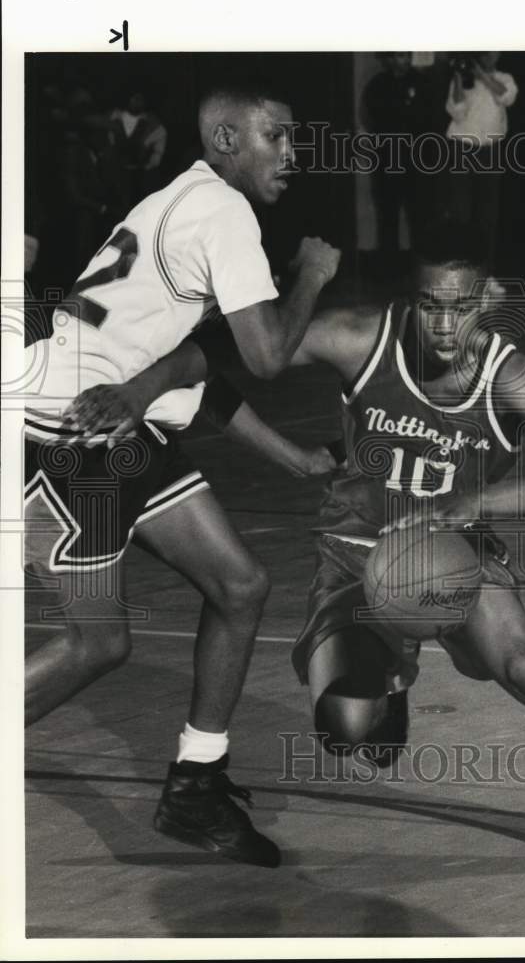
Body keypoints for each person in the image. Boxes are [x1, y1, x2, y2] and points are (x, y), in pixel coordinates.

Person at [80, 221, 525, 892]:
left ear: (487, 299)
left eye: (460, 306)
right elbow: (207, 355)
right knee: (349, 733)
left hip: (451, 553)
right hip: (354, 556)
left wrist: (480, 503)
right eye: (430, 304)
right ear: (411, 299)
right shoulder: (356, 337)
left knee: (524, 668)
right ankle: (383, 679)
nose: (443, 323)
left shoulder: (509, 374)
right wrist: (138, 393)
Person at [24, 78, 341, 867]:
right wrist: (310, 277)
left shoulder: (181, 204)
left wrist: (293, 458)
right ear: (227, 139)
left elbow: (187, 372)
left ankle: (195, 785)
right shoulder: (224, 214)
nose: (293, 154)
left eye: (296, 138)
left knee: (239, 586)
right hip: (70, 431)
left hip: (114, 420)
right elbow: (265, 357)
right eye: (277, 136)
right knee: (98, 645)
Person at [445, 52, 517, 266]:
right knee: (461, 213)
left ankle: (484, 274)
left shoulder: (505, 78)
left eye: (493, 52)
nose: (489, 56)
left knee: (487, 215)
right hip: (463, 148)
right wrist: (460, 76)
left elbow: (507, 96)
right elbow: (456, 111)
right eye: (484, 52)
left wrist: (482, 76)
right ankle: (461, 273)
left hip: (490, 149)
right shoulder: (463, 79)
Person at [361, 53, 426, 267]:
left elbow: (432, 117)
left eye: (407, 56)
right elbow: (369, 117)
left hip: (417, 160)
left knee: (419, 215)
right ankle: (389, 266)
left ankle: (421, 266)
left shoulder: (422, 82)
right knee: (387, 214)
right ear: (389, 59)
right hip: (387, 159)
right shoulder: (378, 85)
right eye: (399, 56)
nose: (404, 61)